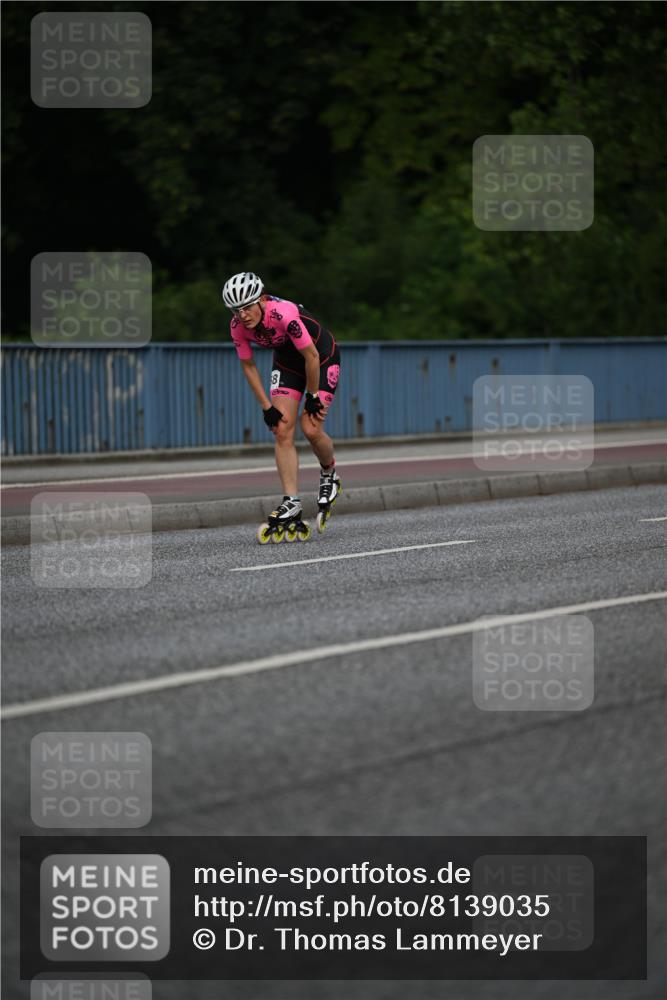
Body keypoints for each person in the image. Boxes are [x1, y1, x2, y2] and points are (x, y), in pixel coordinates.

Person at [222, 271, 341, 530]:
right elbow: (248, 366)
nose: (242, 315)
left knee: (310, 427)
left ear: (261, 300)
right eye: (235, 310)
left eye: (246, 307)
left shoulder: (284, 314)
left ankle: (329, 473)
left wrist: (311, 396)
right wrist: (267, 408)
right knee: (281, 428)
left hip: (319, 357)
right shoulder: (237, 328)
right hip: (288, 363)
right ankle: (291, 501)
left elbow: (310, 356)